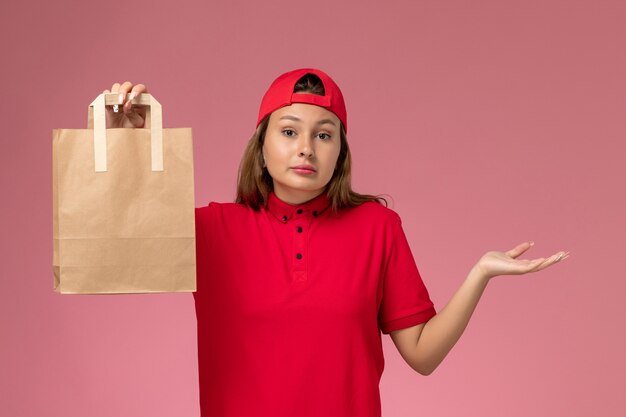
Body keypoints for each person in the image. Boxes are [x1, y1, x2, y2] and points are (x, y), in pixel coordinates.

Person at [103, 68, 568, 417]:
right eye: (289, 131)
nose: (306, 147)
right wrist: (129, 142)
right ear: (261, 145)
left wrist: (479, 274)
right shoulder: (211, 230)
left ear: (340, 151)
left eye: (324, 135)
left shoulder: (377, 227)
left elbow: (423, 356)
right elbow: (116, 246)